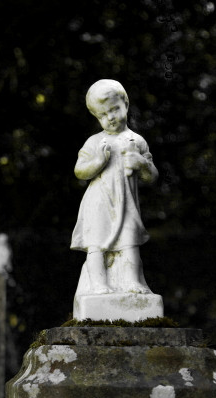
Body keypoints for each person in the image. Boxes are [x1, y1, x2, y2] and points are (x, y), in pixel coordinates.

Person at [71, 79, 158, 294]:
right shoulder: (95, 142)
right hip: (99, 203)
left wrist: (141, 163)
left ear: (126, 105)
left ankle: (131, 282)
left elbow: (152, 176)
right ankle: (98, 285)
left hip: (126, 203)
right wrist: (98, 162)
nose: (109, 117)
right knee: (96, 246)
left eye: (114, 109)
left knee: (130, 243)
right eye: (102, 115)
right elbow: (80, 171)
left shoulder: (136, 141)